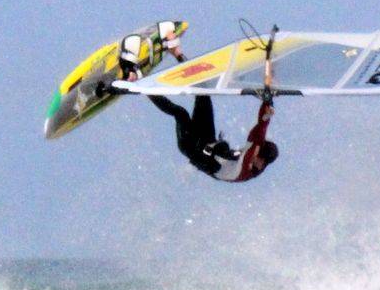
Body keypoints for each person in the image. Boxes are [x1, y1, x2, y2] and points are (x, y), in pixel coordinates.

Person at [149, 95, 277, 183]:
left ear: (261, 164)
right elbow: (262, 126)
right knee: (203, 95)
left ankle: (146, 89)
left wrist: (196, 157)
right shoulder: (257, 150)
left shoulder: (244, 172)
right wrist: (267, 103)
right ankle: (184, 60)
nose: (256, 157)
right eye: (258, 155)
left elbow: (253, 148)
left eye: (259, 160)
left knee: (180, 113)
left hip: (191, 147)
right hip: (207, 138)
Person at [118, 21, 187, 82]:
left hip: (133, 64)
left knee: (137, 76)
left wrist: (181, 59)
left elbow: (174, 49)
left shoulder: (163, 45)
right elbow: (172, 44)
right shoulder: (167, 29)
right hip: (128, 55)